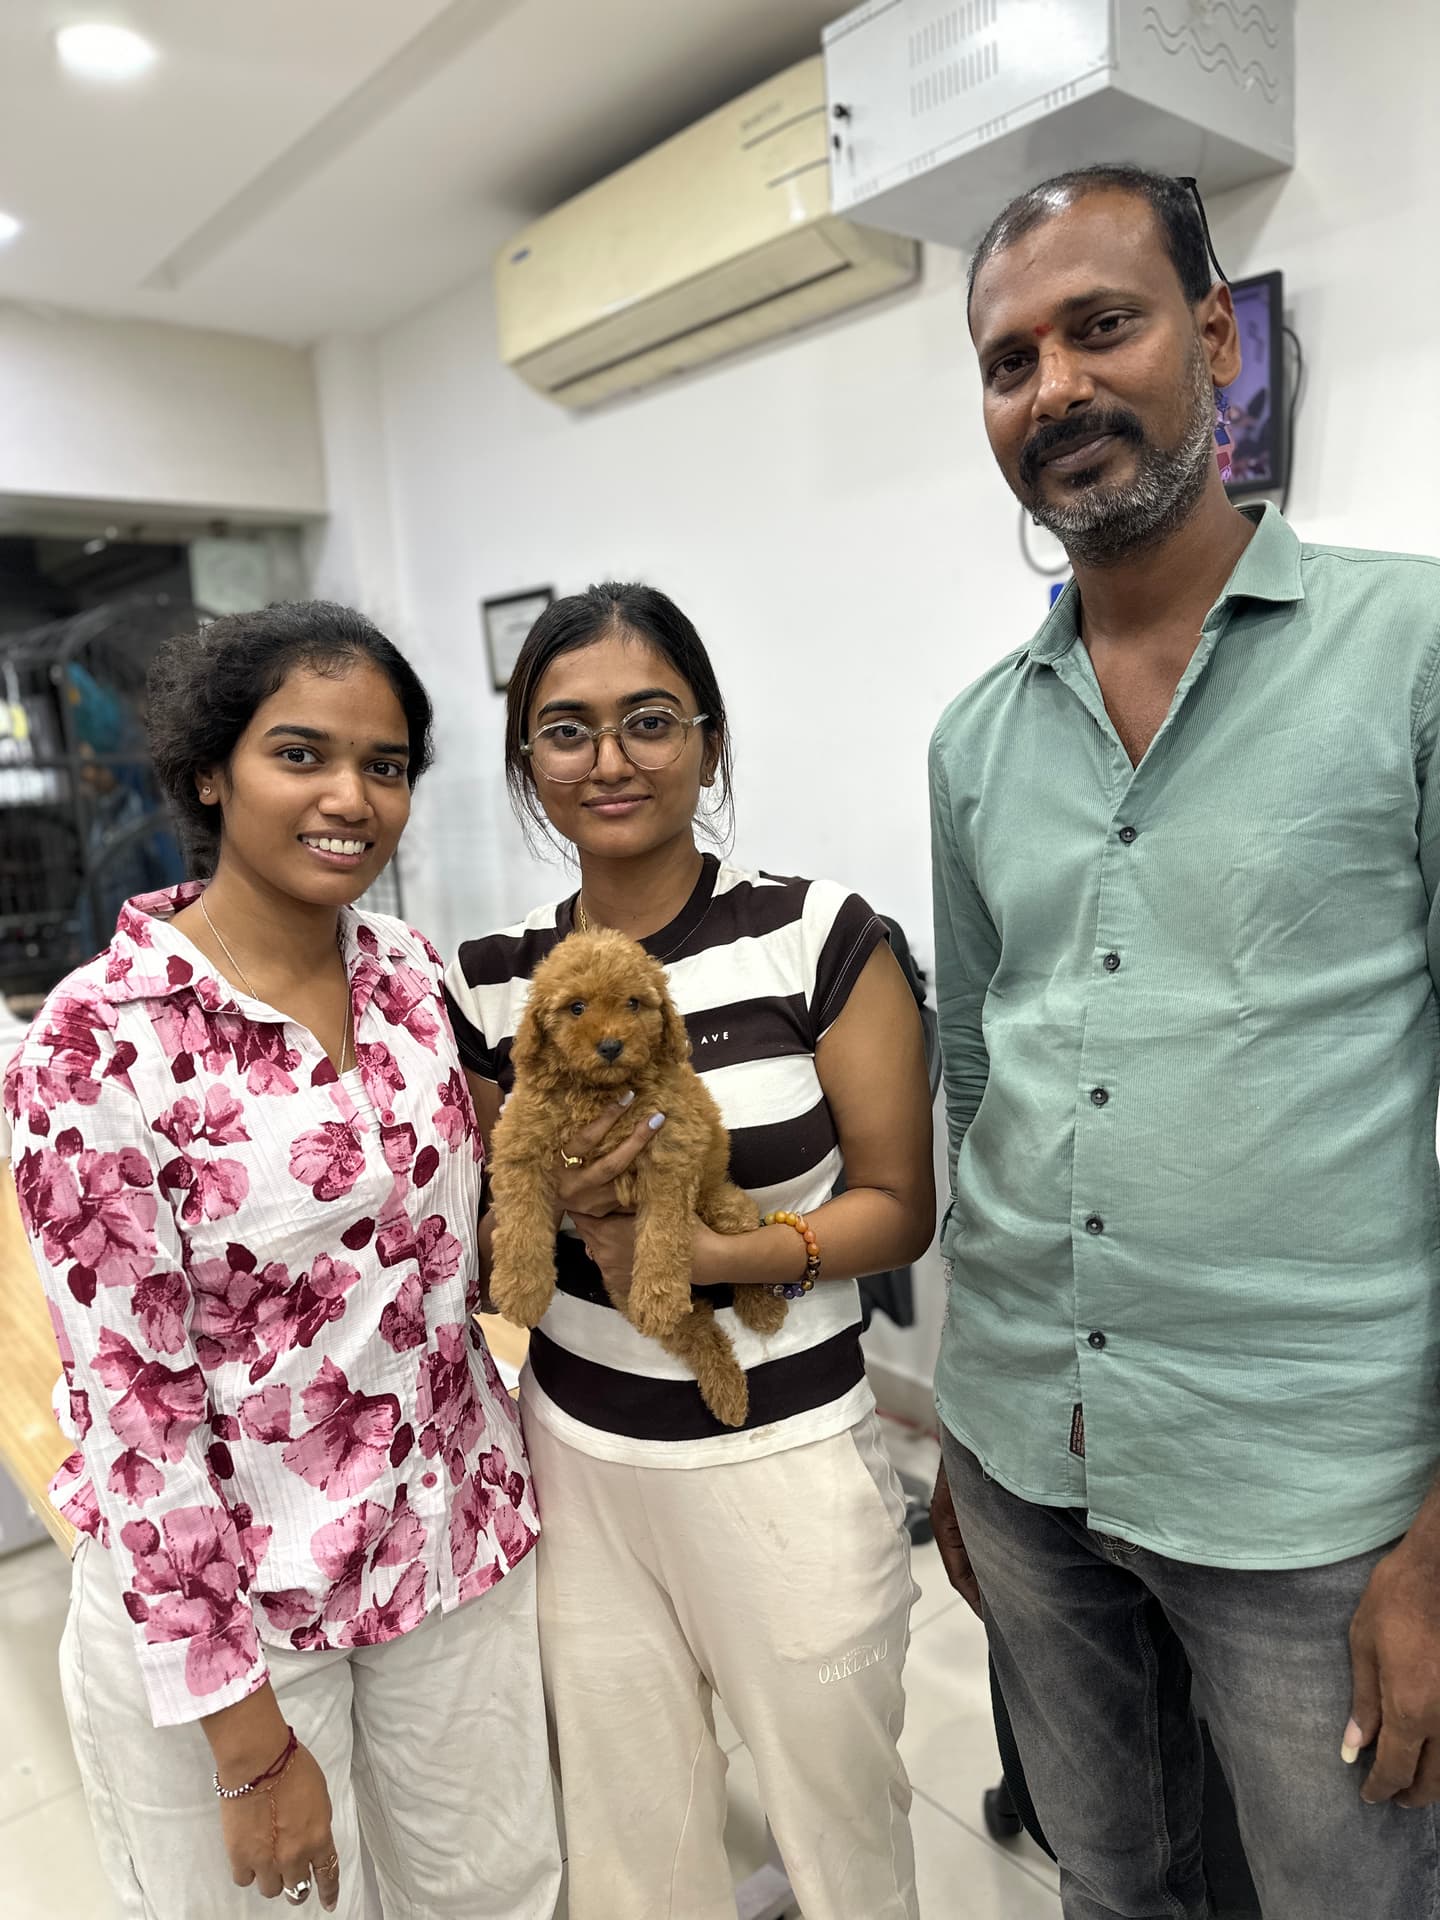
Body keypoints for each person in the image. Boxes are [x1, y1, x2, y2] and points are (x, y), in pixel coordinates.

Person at [927, 161, 1440, 1919]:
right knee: (1112, 1881)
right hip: (1021, 1446)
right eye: (1010, 360)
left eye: (1103, 325)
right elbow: (976, 1070)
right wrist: (960, 1440)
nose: (1054, 385)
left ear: (1216, 340)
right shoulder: (976, 739)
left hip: (1319, 1493)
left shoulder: (1413, 649)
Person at [4, 603, 561, 1919]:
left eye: (384, 765)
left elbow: (451, 1251)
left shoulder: (412, 979)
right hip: (242, 1618)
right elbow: (136, 1412)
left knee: (502, 1894)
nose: (349, 798)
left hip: (450, 1554)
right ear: (211, 771)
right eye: (300, 754)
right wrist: (250, 1751)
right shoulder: (95, 1045)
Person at [444, 582, 934, 1920]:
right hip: (580, 1468)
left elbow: (899, 1206)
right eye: (567, 729)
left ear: (709, 742)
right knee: (632, 1851)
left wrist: (697, 1259)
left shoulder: (816, 934)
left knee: (842, 1844)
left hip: (784, 1457)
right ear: (527, 764)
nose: (610, 759)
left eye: (649, 719)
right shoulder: (489, 976)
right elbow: (491, 1223)